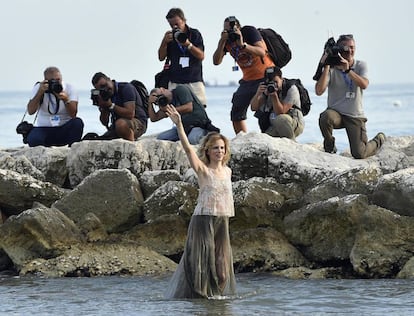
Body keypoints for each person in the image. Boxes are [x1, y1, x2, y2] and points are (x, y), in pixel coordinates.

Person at [163, 104, 236, 299]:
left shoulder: (228, 171)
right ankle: (200, 302)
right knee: (202, 268)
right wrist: (179, 125)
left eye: (222, 148)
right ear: (208, 150)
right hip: (203, 220)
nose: (219, 151)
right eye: (215, 148)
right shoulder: (204, 170)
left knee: (222, 272)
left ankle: (217, 303)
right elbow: (188, 150)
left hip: (222, 221)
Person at [315, 34, 385, 158]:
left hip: (354, 115)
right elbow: (319, 91)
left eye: (352, 47)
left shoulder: (360, 65)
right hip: (336, 114)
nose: (350, 51)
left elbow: (364, 84)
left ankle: (379, 139)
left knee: (359, 154)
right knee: (325, 117)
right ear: (339, 49)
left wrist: (348, 70)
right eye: (346, 48)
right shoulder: (332, 68)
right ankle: (329, 146)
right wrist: (326, 65)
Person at [213, 16, 274, 134]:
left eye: (231, 29)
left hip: (265, 75)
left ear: (239, 27)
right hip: (248, 80)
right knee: (237, 109)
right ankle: (243, 139)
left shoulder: (249, 32)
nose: (230, 32)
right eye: (226, 30)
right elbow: (216, 62)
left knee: (263, 111)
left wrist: (243, 45)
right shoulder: (227, 41)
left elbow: (262, 52)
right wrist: (222, 42)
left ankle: (268, 136)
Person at [157, 8, 207, 106]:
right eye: (171, 25)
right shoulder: (170, 37)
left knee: (199, 109)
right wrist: (164, 42)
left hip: (194, 80)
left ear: (184, 21)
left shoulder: (194, 34)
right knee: (176, 110)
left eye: (177, 24)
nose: (175, 27)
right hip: (176, 81)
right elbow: (161, 57)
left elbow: (201, 56)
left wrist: (188, 44)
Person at [26, 66, 84, 147]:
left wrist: (66, 100)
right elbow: (30, 111)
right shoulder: (39, 88)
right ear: (46, 81)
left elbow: (73, 114)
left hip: (64, 128)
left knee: (77, 123)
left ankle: (72, 149)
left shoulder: (69, 88)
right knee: (33, 139)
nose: (57, 83)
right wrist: (40, 92)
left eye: (58, 80)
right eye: (53, 81)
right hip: (44, 128)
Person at [148, 84, 218, 145]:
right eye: (157, 100)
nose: (161, 98)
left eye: (160, 95)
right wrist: (150, 103)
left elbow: (189, 107)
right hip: (183, 128)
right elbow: (154, 118)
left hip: (199, 126)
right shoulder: (166, 105)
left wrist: (169, 110)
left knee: (192, 139)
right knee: (161, 138)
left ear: (163, 89)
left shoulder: (180, 89)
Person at [250, 66, 304, 140]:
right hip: (274, 126)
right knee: (263, 139)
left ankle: (291, 143)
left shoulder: (291, 89)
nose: (273, 85)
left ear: (281, 79)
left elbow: (281, 112)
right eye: (270, 82)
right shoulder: (267, 89)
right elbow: (253, 107)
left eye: (276, 82)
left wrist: (274, 96)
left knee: (280, 119)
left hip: (293, 123)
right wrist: (258, 93)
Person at [90, 72, 147, 141]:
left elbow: (130, 114)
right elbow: (104, 122)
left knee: (121, 124)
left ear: (109, 80)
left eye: (104, 85)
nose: (105, 89)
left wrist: (111, 105)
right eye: (101, 89)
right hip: (116, 125)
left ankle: (131, 145)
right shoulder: (106, 95)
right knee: (91, 138)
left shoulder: (126, 88)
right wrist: (103, 108)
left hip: (138, 122)